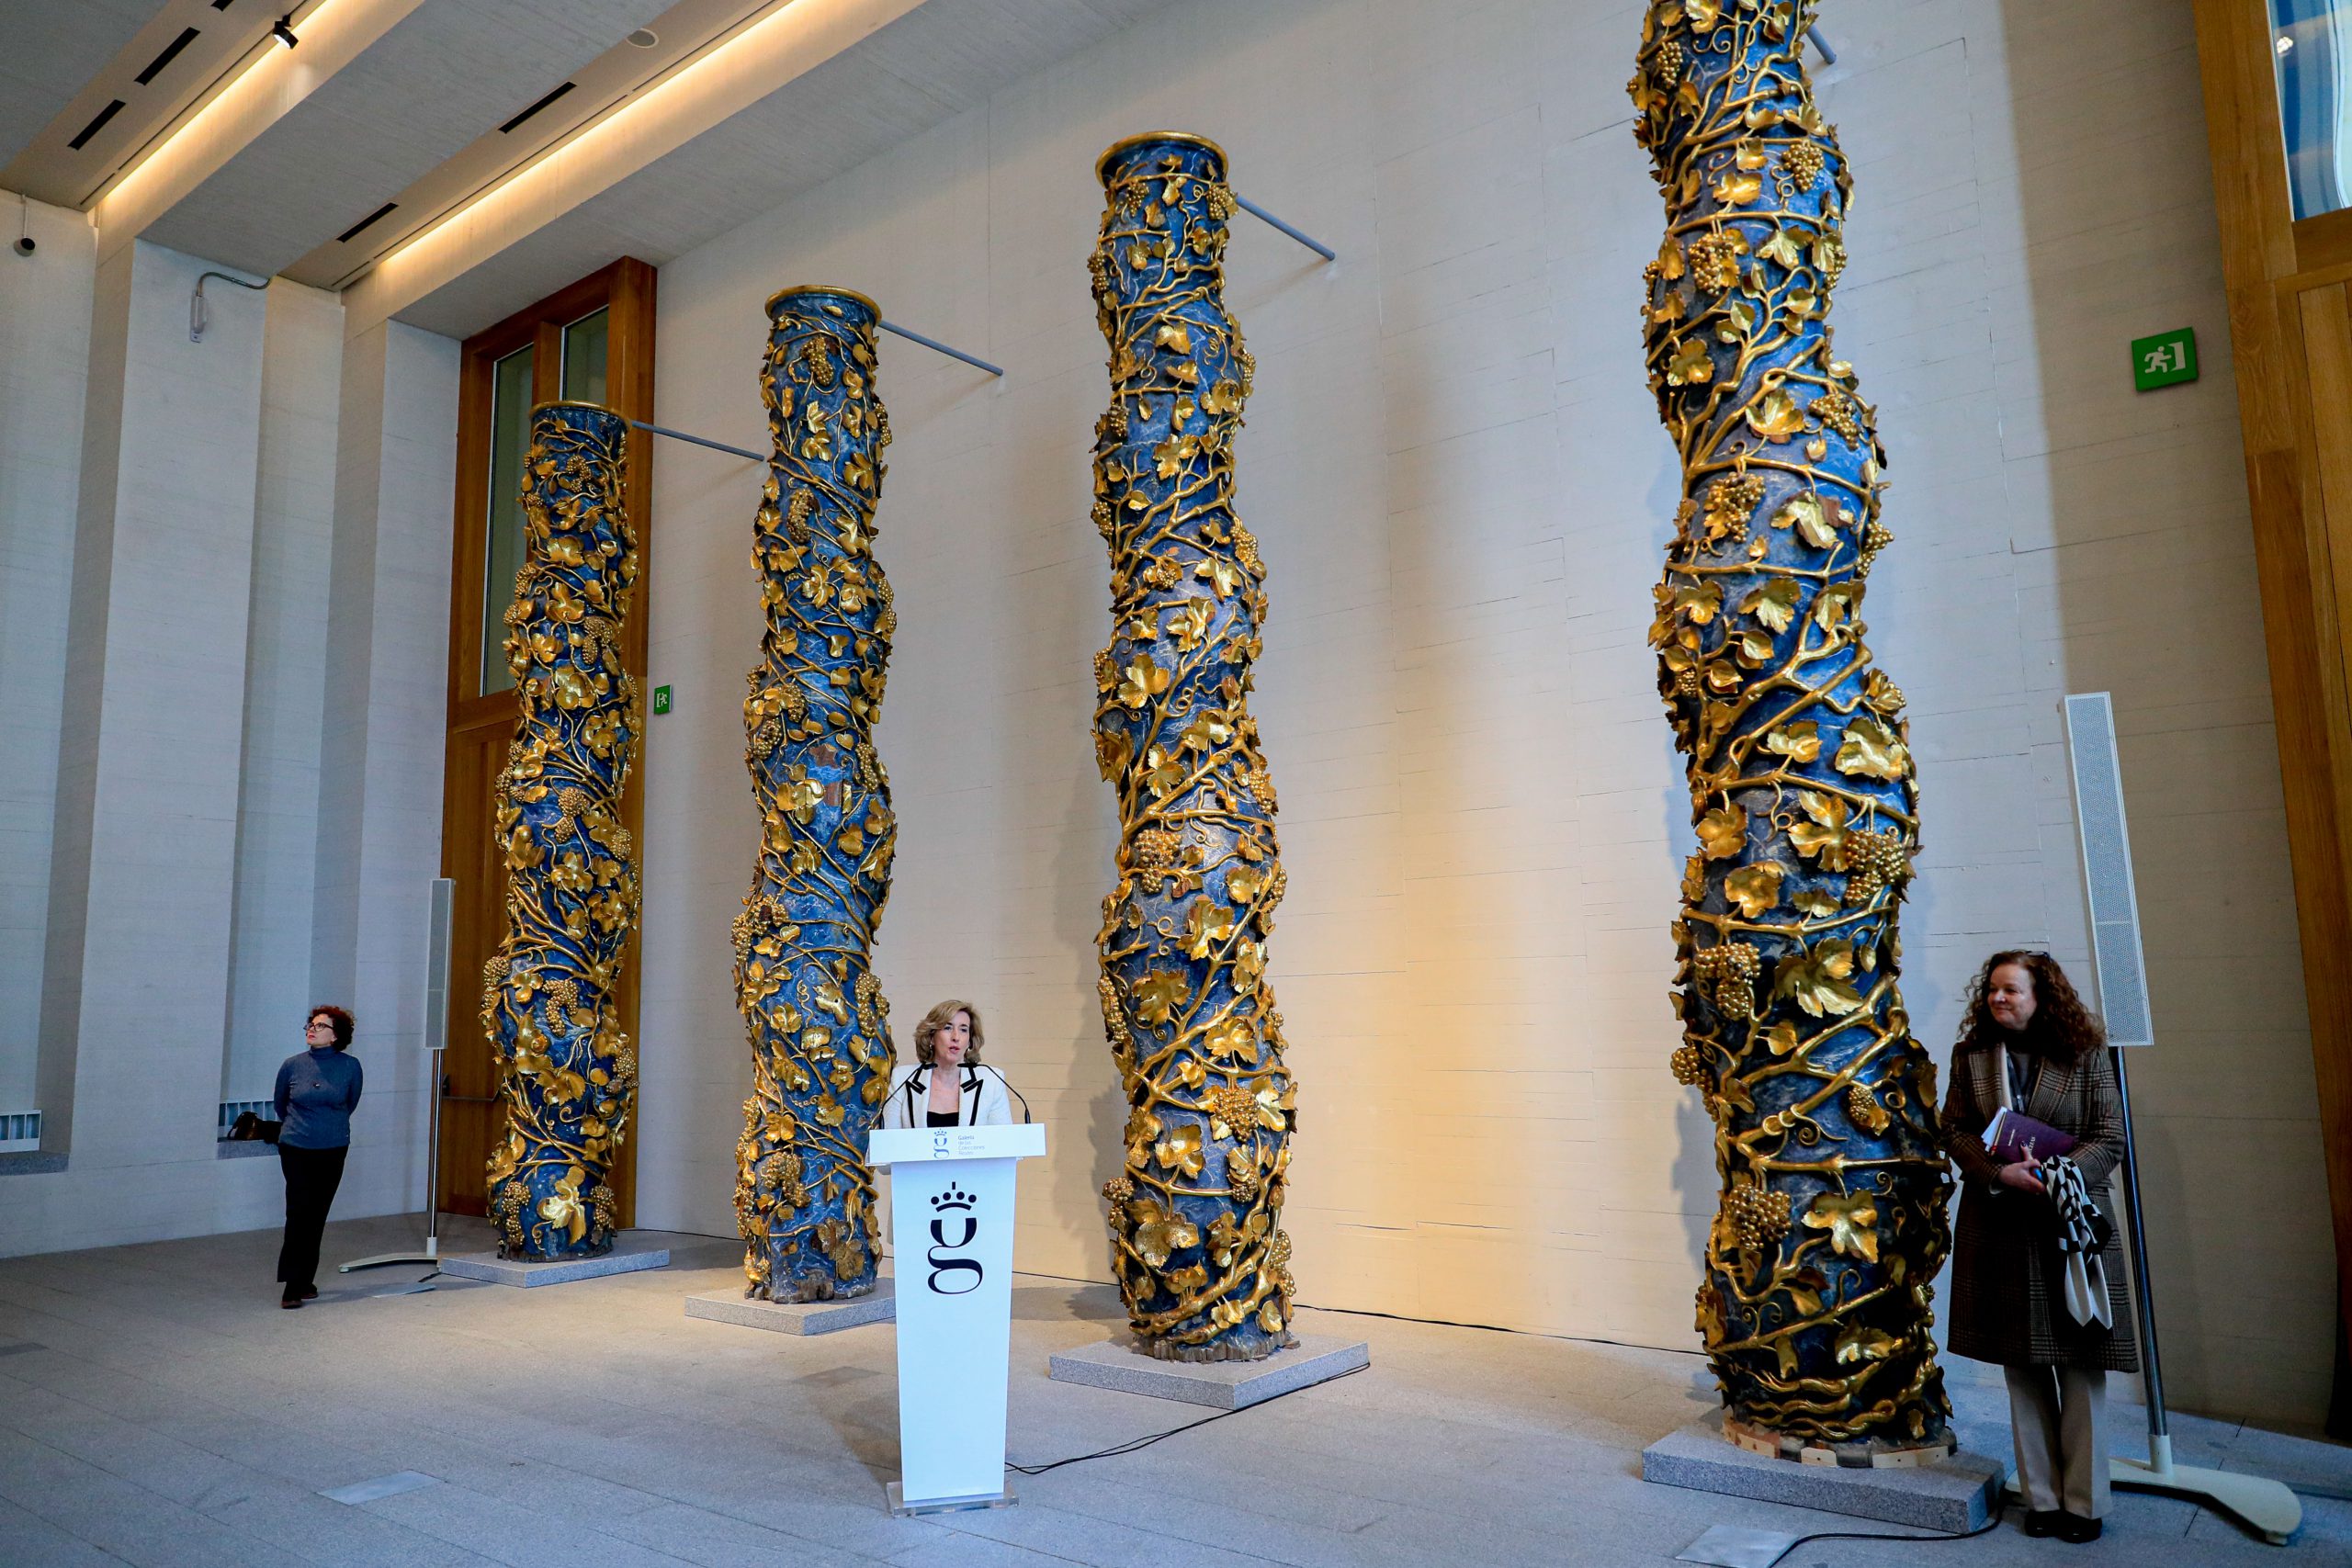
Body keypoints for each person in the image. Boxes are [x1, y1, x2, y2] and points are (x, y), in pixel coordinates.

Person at [1940, 951, 2135, 1543]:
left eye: (2012, 991)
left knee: (2081, 1366)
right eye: (1994, 991)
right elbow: (1954, 1128)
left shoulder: (2085, 1054)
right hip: (1999, 1224)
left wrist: (2055, 1176)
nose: (2000, 1000)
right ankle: (2044, 1501)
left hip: (2070, 1227)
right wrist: (1998, 1175)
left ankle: (2085, 1504)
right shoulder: (1971, 1057)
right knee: (2022, 1369)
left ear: (2042, 996)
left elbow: (2110, 1137)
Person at [273, 1006, 363, 1308]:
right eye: (310, 1025)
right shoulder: (291, 1065)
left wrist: (326, 1128)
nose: (312, 1029)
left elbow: (349, 1103)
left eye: (320, 1026)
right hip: (296, 1146)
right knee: (298, 1211)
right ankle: (291, 1285)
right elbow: (280, 1105)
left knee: (317, 1214)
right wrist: (302, 1128)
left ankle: (305, 1279)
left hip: (333, 1147)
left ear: (336, 1036)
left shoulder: (350, 1067)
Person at [882, 999, 1018, 1129]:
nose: (956, 1037)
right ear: (931, 1037)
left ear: (970, 1041)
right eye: (947, 1028)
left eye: (963, 1030)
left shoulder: (991, 1080)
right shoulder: (902, 1078)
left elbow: (1005, 1143)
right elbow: (886, 1143)